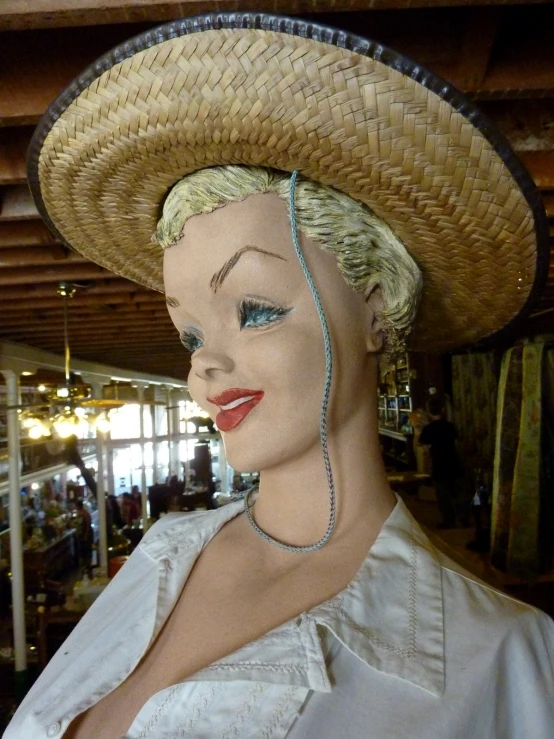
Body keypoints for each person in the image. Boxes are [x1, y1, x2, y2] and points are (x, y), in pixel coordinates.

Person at [7, 13, 554, 739]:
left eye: (256, 308)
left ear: (377, 310)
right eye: (191, 333)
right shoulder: (161, 556)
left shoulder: (502, 657)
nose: (204, 364)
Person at [419, 395, 467, 528]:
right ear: (443, 409)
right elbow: (458, 445)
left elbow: (425, 450)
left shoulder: (428, 430)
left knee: (443, 495)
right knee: (459, 493)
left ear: (428, 411)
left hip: (439, 464)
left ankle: (449, 521)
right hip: (453, 461)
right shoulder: (450, 426)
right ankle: (464, 518)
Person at [74, 499, 93, 575]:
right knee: (83, 551)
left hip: (86, 535)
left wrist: (85, 534)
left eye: (75, 505)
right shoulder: (80, 513)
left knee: (87, 550)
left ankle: (88, 567)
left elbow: (88, 524)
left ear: (78, 506)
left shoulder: (84, 514)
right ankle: (85, 567)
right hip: (82, 535)